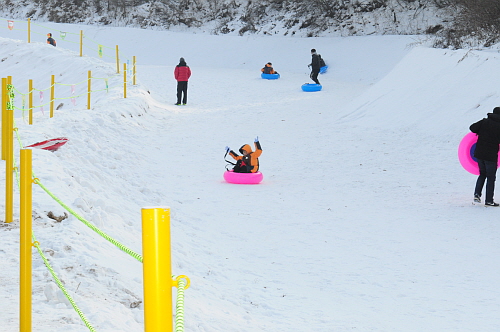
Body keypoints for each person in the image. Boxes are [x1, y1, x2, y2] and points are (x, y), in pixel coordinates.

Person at [469, 106, 500, 206]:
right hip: (491, 155)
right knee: (491, 177)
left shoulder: (484, 122)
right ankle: (489, 200)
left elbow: (472, 128)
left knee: (482, 174)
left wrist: (480, 132)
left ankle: (477, 194)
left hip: (480, 153)